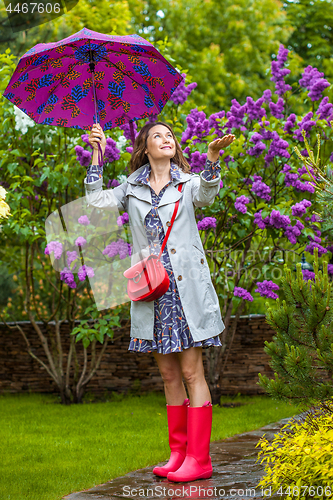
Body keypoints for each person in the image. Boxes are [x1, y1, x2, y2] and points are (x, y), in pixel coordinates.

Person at [85, 121, 235, 482]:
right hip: (153, 289)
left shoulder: (187, 183)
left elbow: (208, 193)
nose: (166, 139)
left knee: (190, 372)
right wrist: (96, 152)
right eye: (158, 136)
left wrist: (212, 157)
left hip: (185, 290)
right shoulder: (131, 187)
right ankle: (178, 453)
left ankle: (200, 459)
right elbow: (95, 201)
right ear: (146, 147)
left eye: (170, 136)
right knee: (168, 374)